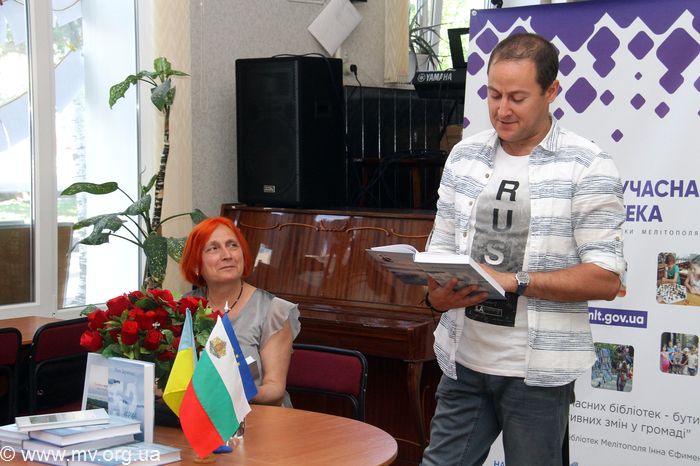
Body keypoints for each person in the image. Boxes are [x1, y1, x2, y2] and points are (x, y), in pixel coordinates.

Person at [421, 33, 626, 466]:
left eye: (517, 97)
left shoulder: (586, 165)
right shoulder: (464, 156)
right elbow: (440, 249)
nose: (502, 110)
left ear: (551, 92)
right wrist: (435, 296)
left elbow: (606, 278)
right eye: (494, 95)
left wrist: (514, 282)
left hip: (537, 374)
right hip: (462, 360)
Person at [180, 216, 301, 407]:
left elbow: (275, 390)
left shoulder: (273, 311)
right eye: (213, 248)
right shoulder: (185, 307)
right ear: (196, 264)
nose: (227, 255)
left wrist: (229, 393)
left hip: (260, 415)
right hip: (199, 414)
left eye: (233, 245)